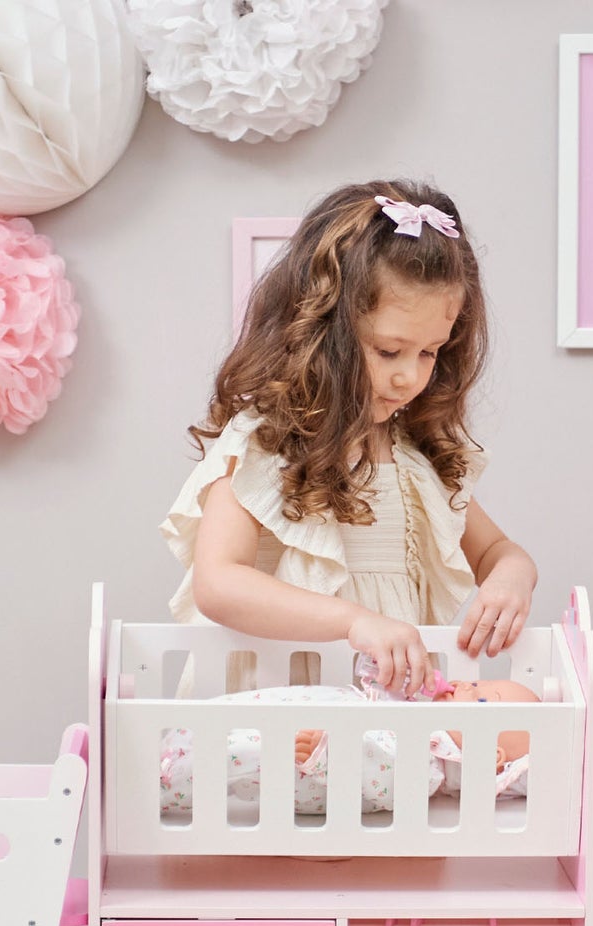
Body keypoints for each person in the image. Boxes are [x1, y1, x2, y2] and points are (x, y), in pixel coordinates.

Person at [162, 180, 537, 699]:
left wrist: (513, 575)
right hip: (274, 712)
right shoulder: (267, 444)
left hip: (377, 731)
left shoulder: (415, 456)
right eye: (389, 351)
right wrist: (354, 622)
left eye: (429, 352)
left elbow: (497, 550)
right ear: (323, 334)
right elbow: (219, 584)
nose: (410, 377)